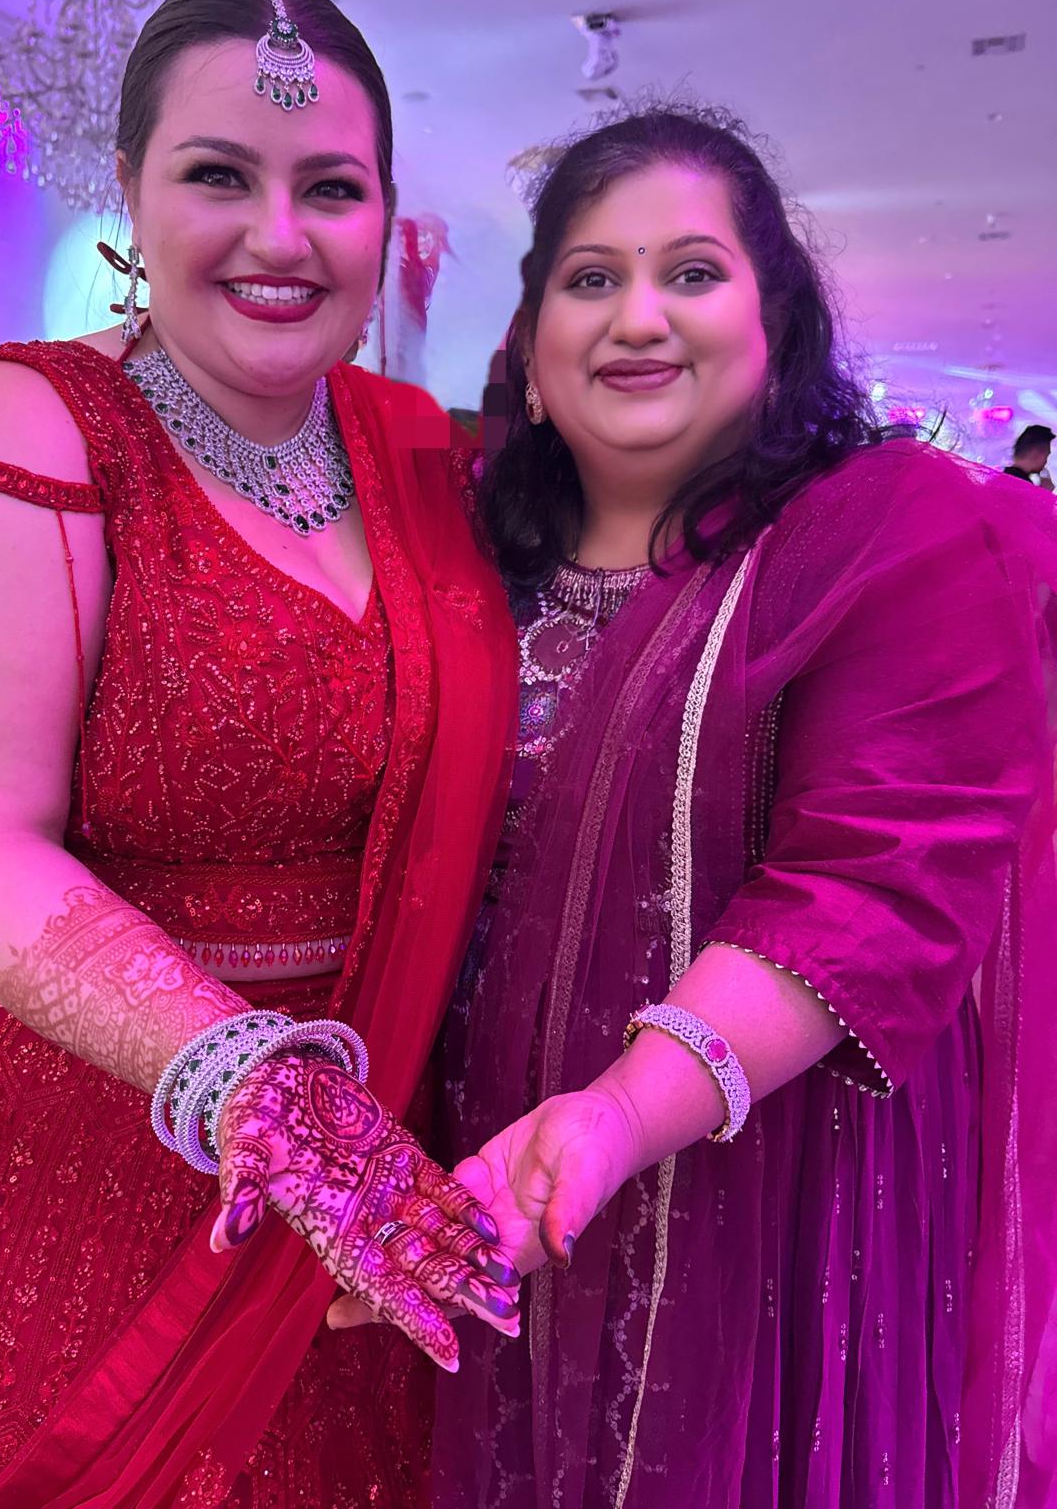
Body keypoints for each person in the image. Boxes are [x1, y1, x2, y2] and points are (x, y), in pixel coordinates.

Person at [0, 0, 521, 1508]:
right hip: (60, 1135)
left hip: (363, 1123)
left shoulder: (415, 452)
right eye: (219, 175)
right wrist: (250, 1081)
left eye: (331, 188)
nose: (279, 235)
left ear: (384, 218)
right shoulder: (23, 427)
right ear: (132, 194)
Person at [410, 104, 1055, 1506]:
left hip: (764, 1174)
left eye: (692, 272)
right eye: (591, 276)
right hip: (479, 1152)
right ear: (532, 337)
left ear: (779, 322)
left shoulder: (888, 534)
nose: (638, 317)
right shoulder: (454, 549)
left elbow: (873, 881)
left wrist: (618, 1114)